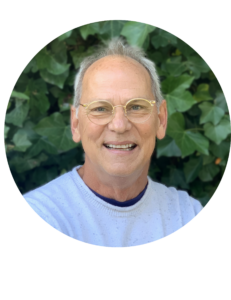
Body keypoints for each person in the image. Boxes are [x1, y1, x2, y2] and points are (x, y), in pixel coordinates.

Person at [22, 37, 204, 247]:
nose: (119, 125)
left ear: (161, 120)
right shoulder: (43, 214)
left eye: (136, 106)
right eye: (100, 108)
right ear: (75, 124)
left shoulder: (187, 214)